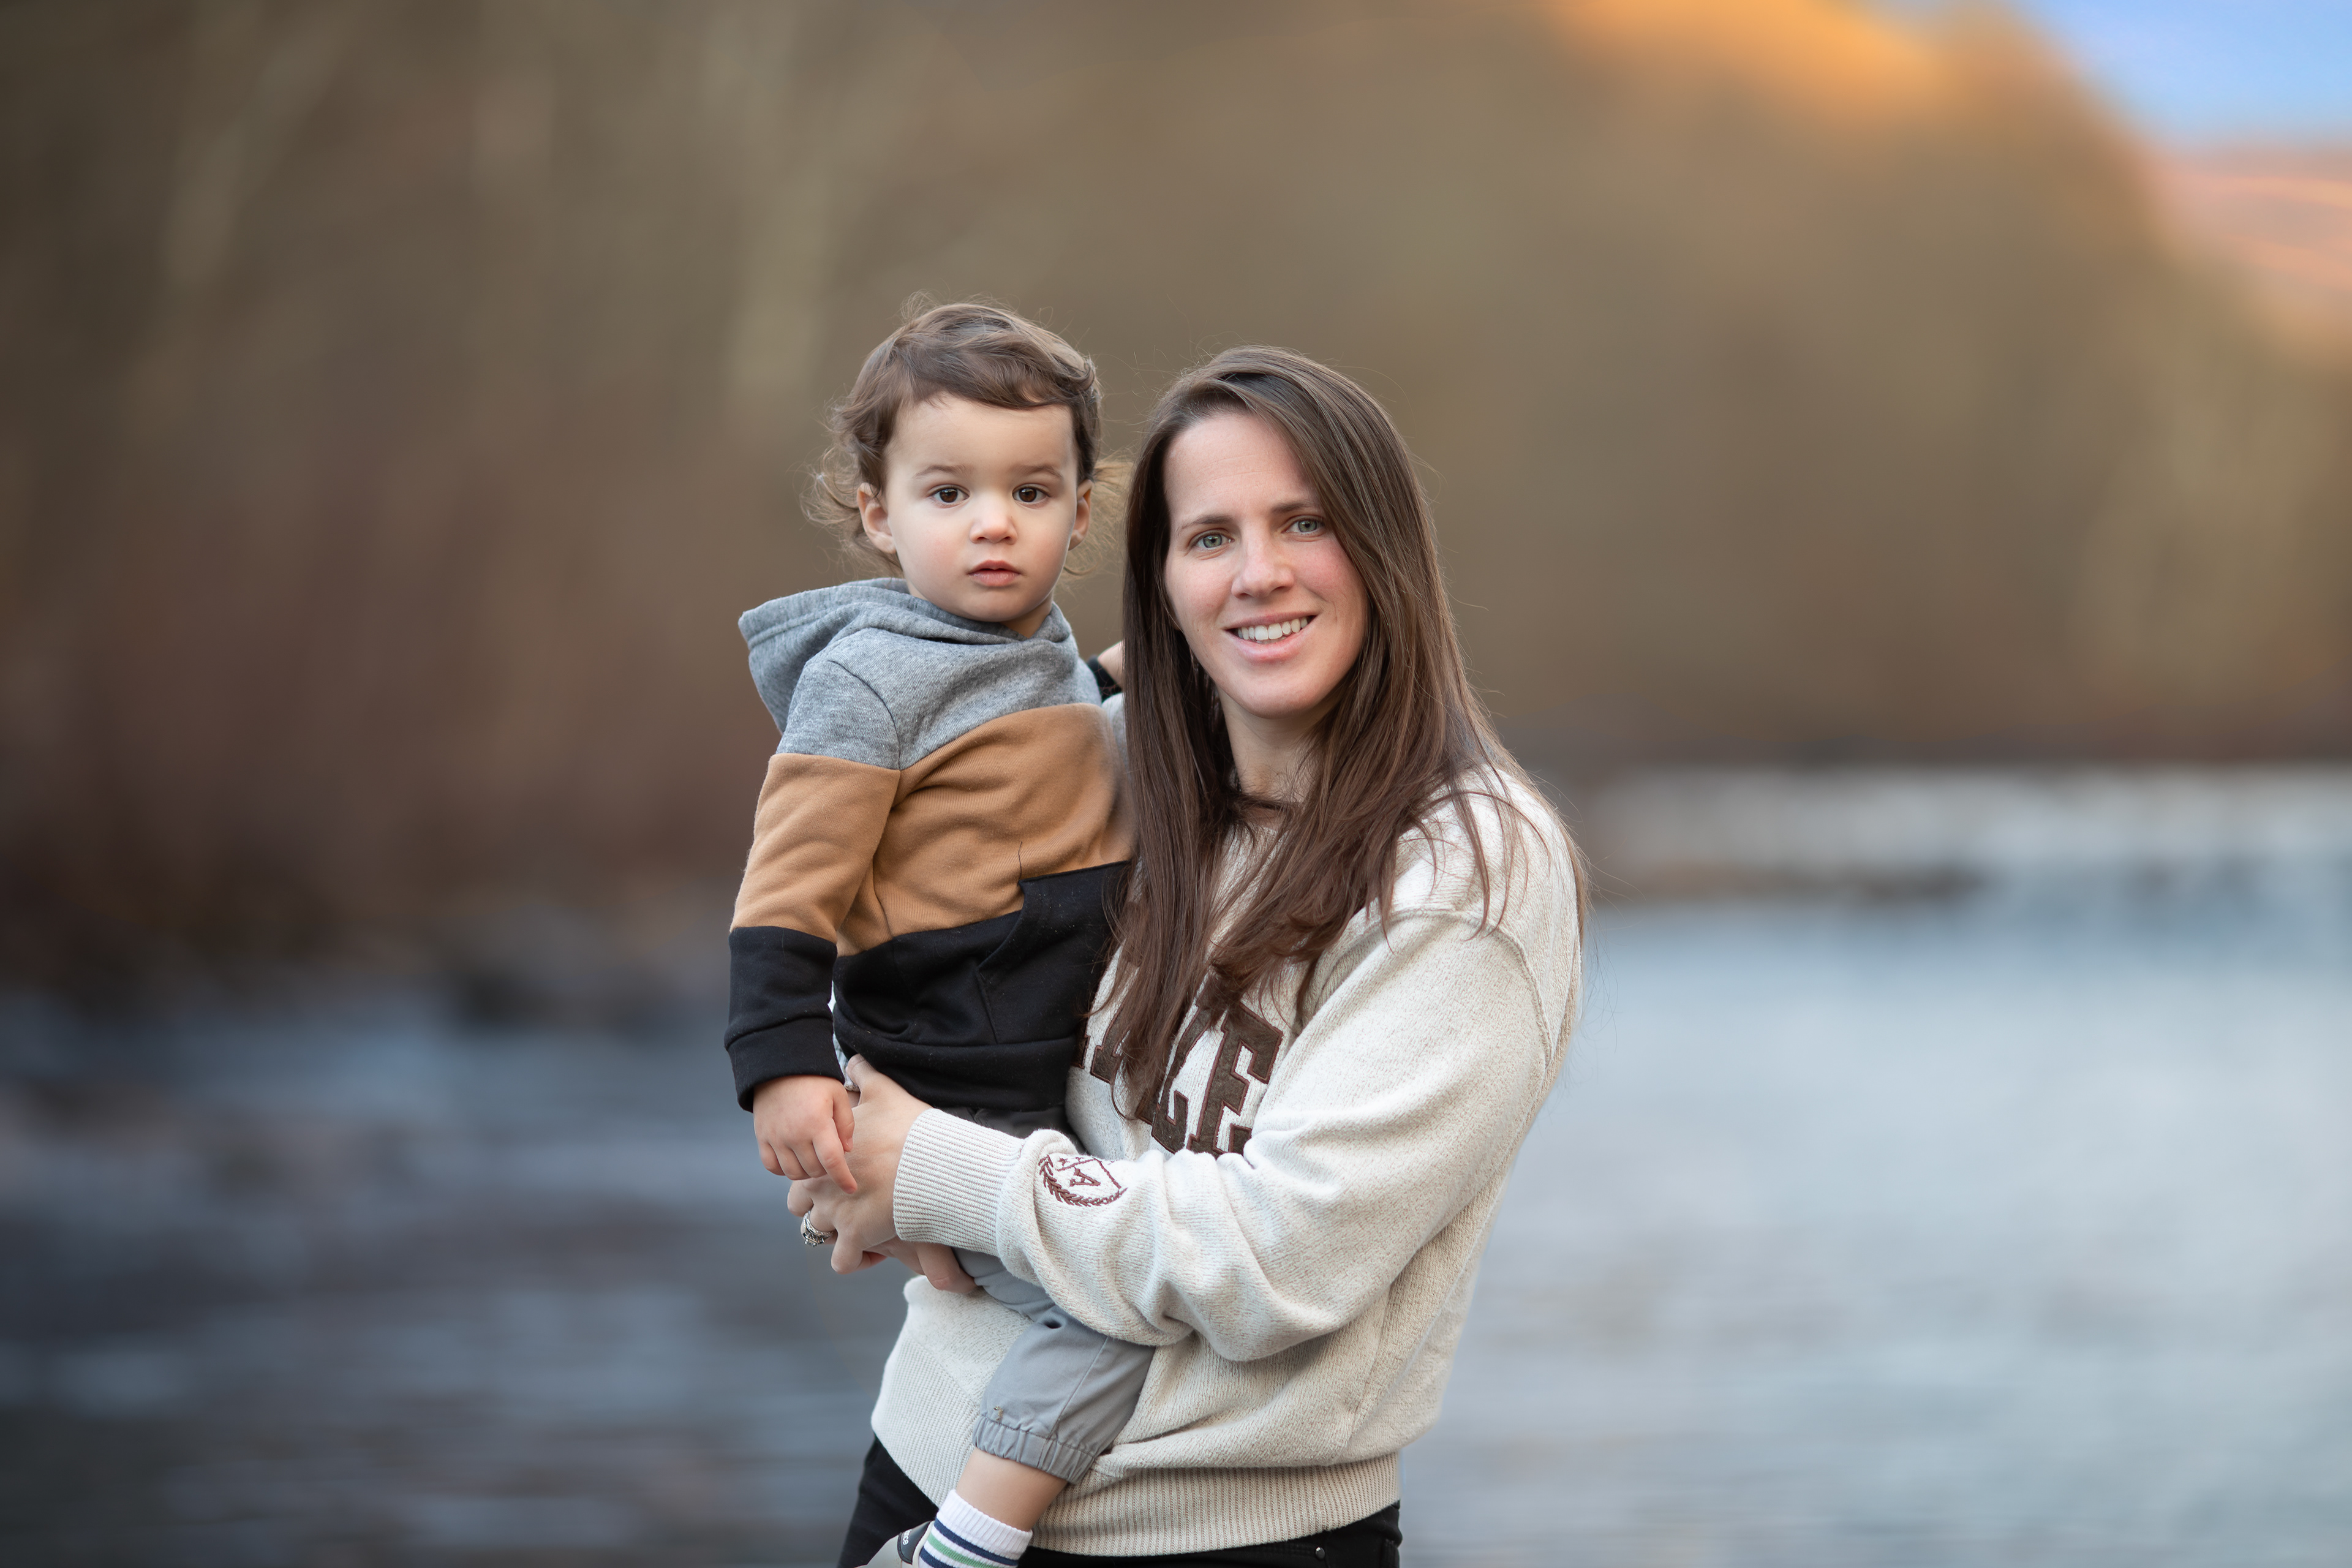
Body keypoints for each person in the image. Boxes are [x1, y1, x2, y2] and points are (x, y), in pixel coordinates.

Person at [794, 346, 1588, 1567]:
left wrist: (942, 1171)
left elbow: (1278, 1257)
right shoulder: (1097, 771)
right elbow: (883, 950)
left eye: (1305, 522)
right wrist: (847, 1159)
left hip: (1223, 1530)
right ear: (1162, 584)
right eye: (1210, 537)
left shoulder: (1468, 872)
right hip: (923, 1466)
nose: (1259, 572)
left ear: (1386, 548)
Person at [724, 301, 1152, 1568]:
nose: (993, 523)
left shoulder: (1034, 650)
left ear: (1082, 513)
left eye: (1031, 491)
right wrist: (781, 1064)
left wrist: (1132, 679)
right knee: (1113, 1309)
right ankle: (965, 1540)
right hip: (953, 1072)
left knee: (1084, 1267)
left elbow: (1037, 763)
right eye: (949, 492)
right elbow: (789, 880)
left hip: (1031, 1063)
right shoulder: (869, 678)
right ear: (878, 513)